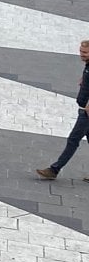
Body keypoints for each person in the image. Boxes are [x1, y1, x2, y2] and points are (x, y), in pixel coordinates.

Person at [36, 40, 89, 181]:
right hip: (83, 109)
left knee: (73, 140)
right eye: (80, 51)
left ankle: (54, 169)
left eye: (84, 52)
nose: (81, 55)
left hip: (86, 112)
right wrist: (84, 78)